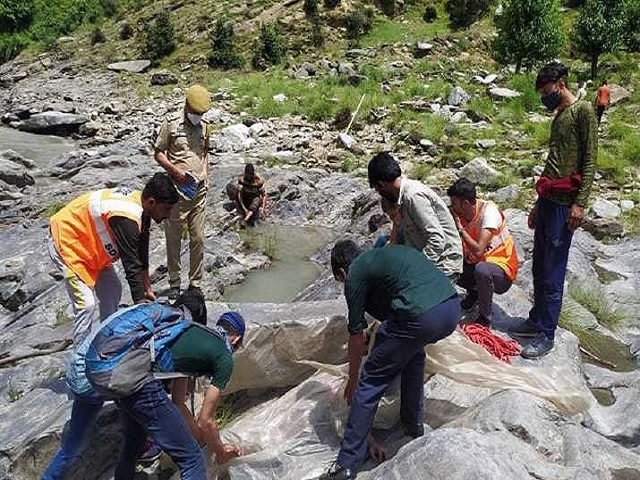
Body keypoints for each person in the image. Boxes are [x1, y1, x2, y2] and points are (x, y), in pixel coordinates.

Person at [42, 291, 238, 480]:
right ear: (236, 339)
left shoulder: (160, 318)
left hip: (92, 371)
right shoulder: (218, 352)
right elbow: (204, 420)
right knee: (191, 458)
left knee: (132, 438)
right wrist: (220, 451)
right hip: (125, 378)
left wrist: (197, 436)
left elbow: (178, 402)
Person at [320, 240, 460, 479]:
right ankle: (412, 424)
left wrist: (353, 380)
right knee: (413, 352)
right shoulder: (385, 256)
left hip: (420, 317)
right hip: (451, 309)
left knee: (371, 379)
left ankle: (347, 464)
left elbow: (355, 338)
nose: (345, 284)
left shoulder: (354, 274)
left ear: (342, 272)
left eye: (341, 280)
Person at [512, 62, 597, 359]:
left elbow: (589, 160)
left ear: (560, 84)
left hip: (565, 205)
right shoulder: (559, 116)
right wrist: (537, 204)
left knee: (553, 269)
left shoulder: (582, 111)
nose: (543, 97)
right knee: (539, 265)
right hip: (548, 200)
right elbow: (553, 162)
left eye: (546, 91)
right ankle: (536, 317)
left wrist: (580, 204)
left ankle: (547, 334)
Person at [48, 172, 178, 346]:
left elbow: (141, 252)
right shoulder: (127, 219)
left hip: (90, 249)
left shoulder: (143, 209)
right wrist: (140, 303)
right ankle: (79, 360)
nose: (168, 215)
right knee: (86, 305)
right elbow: (130, 264)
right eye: (167, 209)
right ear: (152, 202)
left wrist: (147, 288)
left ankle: (105, 342)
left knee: (113, 289)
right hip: (67, 243)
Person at [155, 84, 212, 300]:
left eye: (202, 114)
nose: (198, 116)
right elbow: (159, 153)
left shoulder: (205, 126)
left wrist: (206, 176)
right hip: (175, 193)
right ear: (187, 105)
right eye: (196, 112)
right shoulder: (171, 124)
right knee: (174, 239)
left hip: (199, 191)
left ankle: (195, 283)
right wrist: (175, 171)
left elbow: (206, 154)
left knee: (198, 237)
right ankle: (174, 283)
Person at [367, 152, 462, 281]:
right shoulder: (400, 198)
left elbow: (436, 239)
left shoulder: (414, 197)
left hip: (444, 264)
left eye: (377, 189)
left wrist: (415, 269)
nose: (379, 193)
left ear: (382, 184)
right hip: (425, 260)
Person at [447, 178, 519, 327]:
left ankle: (485, 318)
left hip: (502, 270)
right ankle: (474, 293)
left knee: (482, 270)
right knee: (450, 260)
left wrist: (459, 228)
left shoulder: (489, 213)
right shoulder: (461, 214)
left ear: (465, 203)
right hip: (476, 262)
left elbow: (479, 250)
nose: (452, 207)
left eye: (454, 203)